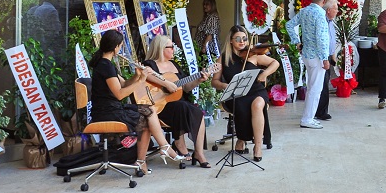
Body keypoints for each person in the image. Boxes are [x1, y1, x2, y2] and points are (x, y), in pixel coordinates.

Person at [89, 29, 185, 174]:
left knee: (148, 115)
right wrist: (141, 81)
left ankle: (142, 161)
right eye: (120, 46)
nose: (120, 49)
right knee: (149, 112)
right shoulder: (105, 66)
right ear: (116, 47)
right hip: (107, 112)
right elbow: (120, 94)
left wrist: (137, 76)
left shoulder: (107, 65)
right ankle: (162, 147)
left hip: (111, 108)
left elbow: (125, 84)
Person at [212, 25, 280, 161]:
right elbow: (214, 81)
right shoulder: (224, 58)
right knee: (242, 104)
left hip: (256, 90)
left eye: (244, 38)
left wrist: (265, 73)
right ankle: (242, 138)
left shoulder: (253, 55)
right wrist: (226, 85)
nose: (242, 41)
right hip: (237, 94)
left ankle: (258, 146)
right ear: (231, 40)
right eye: (237, 38)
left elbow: (275, 63)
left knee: (257, 104)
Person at [143, 35, 211, 168]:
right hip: (159, 106)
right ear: (162, 48)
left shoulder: (174, 65)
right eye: (171, 47)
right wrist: (166, 83)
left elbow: (185, 87)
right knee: (182, 106)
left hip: (179, 104)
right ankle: (180, 143)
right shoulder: (150, 64)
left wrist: (198, 80)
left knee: (197, 112)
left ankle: (199, 152)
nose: (174, 49)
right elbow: (146, 75)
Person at [286, 0, 330, 128]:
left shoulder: (304, 11)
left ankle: (308, 117)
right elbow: (321, 38)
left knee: (312, 87)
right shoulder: (320, 14)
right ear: (323, 1)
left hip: (306, 54)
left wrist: (296, 41)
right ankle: (307, 119)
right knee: (315, 89)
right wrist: (325, 58)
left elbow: (289, 25)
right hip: (317, 56)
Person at [316, 0, 338, 121]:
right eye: (335, 9)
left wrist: (333, 56)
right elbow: (322, 42)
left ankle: (322, 110)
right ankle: (321, 112)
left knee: (325, 84)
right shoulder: (322, 22)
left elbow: (331, 41)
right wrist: (326, 58)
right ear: (328, 10)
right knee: (322, 85)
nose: (337, 11)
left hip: (328, 56)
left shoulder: (331, 23)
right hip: (322, 57)